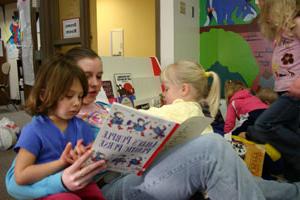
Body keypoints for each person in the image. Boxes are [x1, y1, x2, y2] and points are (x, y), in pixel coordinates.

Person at [6, 47, 300, 200]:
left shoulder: (108, 107)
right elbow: (14, 184)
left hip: (141, 171)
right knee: (212, 150)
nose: (94, 84)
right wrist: (62, 179)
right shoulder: (55, 121)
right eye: (86, 77)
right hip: (109, 189)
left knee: (218, 156)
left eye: (99, 76)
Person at [8, 55, 106, 199]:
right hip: (44, 190)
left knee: (94, 193)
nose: (76, 103)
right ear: (44, 95)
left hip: (75, 184)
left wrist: (84, 157)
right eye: (68, 96)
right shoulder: (33, 131)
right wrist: (61, 163)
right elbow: (21, 176)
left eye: (79, 96)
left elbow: (87, 165)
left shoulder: (83, 127)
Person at [246, 0, 300, 181]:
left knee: (264, 125)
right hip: (284, 91)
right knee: (290, 133)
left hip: (295, 91)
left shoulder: (296, 23)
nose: (258, 4)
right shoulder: (281, 32)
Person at [141, 60, 220, 134]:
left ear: (184, 89)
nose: (163, 94)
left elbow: (147, 116)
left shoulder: (181, 109)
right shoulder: (196, 110)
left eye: (166, 89)